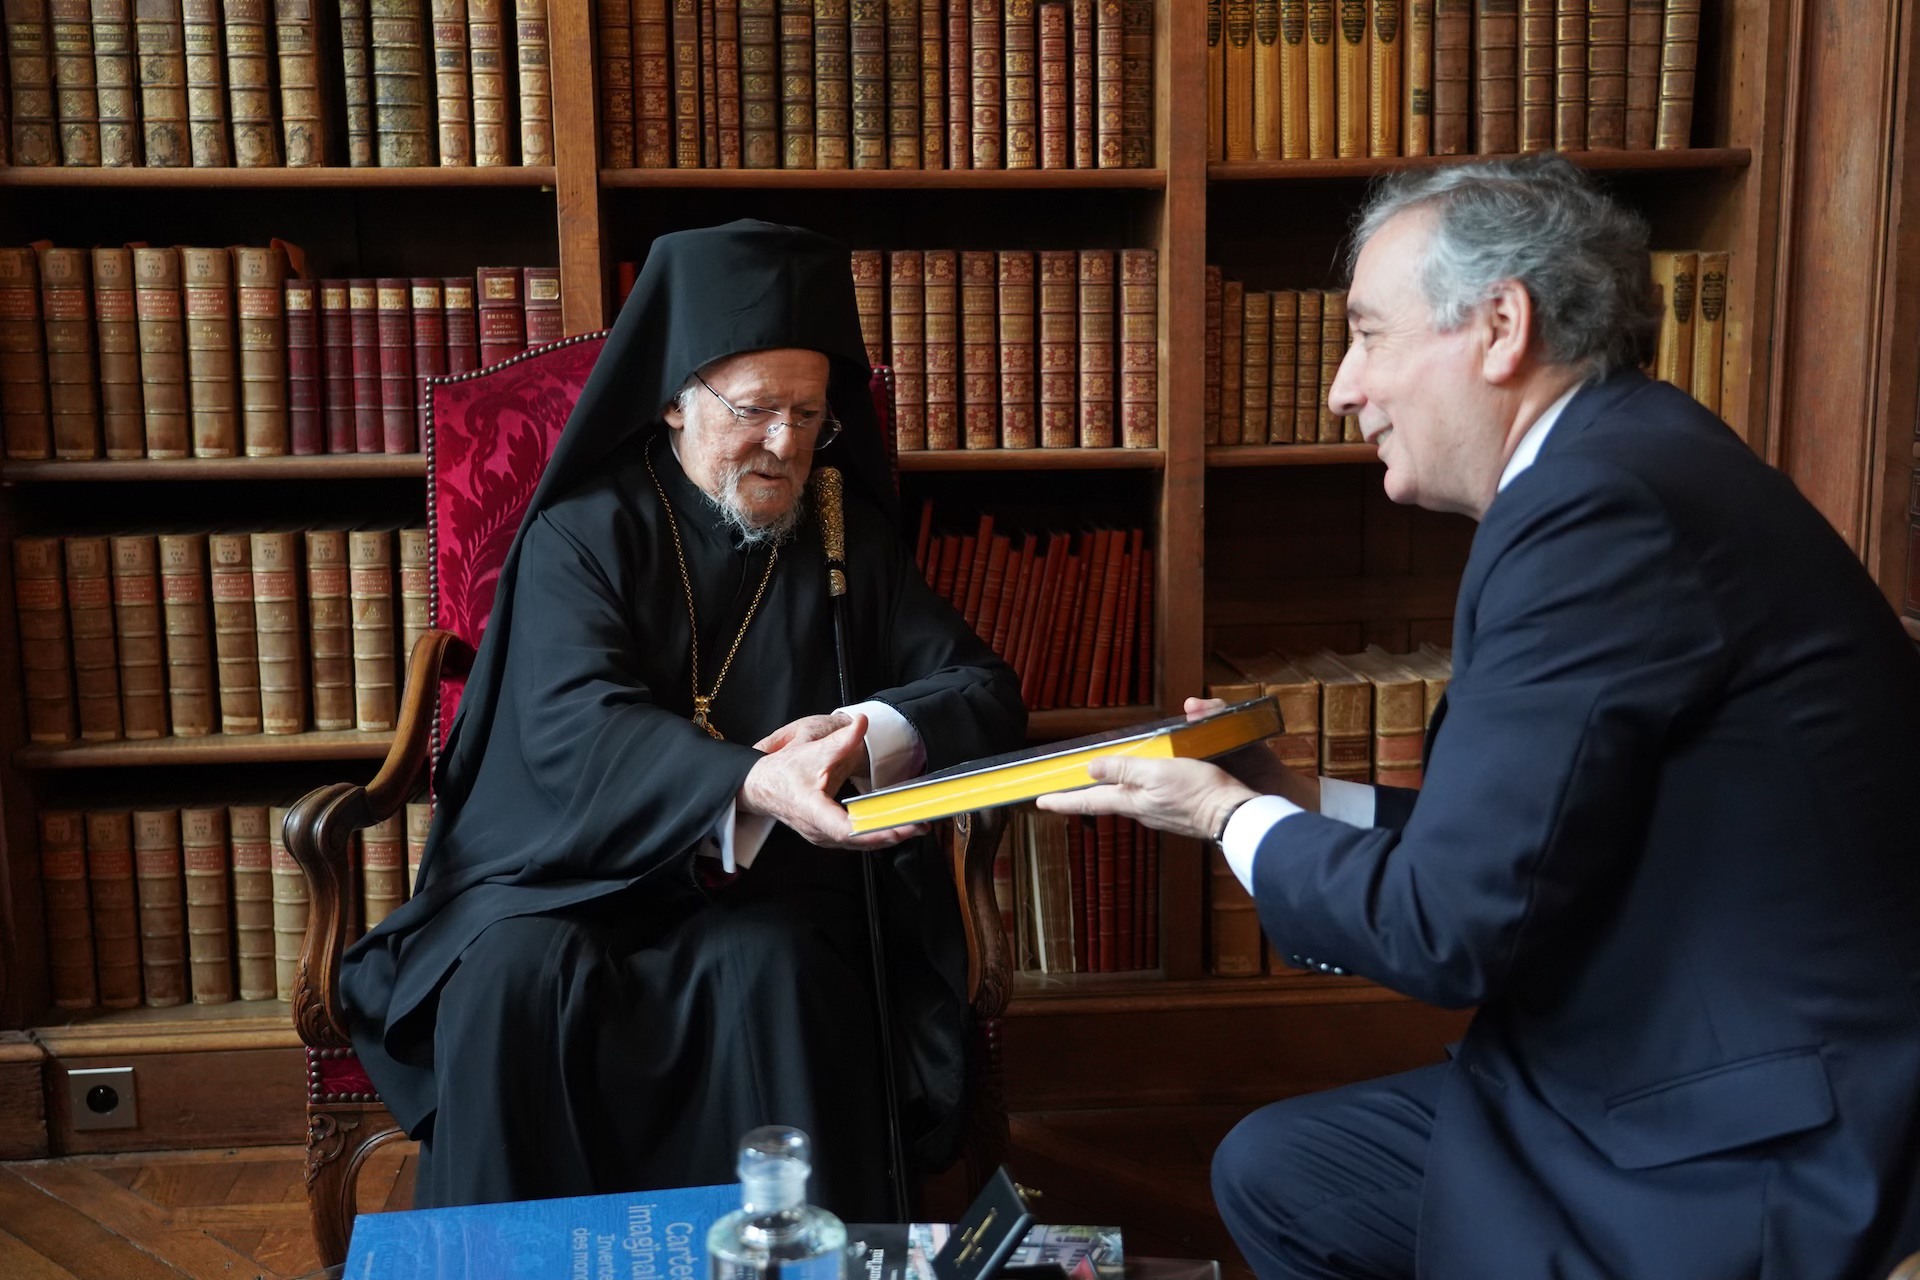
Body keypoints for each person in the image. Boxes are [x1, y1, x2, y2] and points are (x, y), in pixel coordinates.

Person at [1038, 155, 1920, 1278]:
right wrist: (1299, 799)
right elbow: (1537, 838)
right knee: (1283, 1168)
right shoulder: (1630, 455)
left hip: (1747, 1137)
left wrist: (1225, 817)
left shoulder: (1596, 505)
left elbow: (1449, 930)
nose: (1341, 388)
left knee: (1307, 1179)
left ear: (1502, 326)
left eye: (1368, 335)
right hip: (1666, 1058)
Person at [341, 220, 1026, 1217]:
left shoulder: (843, 533)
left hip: (772, 890)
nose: (786, 444)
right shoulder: (584, 531)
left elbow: (982, 689)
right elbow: (573, 724)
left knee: (782, 974)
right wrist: (751, 780)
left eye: (809, 413)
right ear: (674, 399)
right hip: (567, 875)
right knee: (509, 985)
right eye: (756, 410)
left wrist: (862, 732)